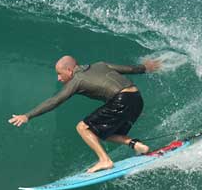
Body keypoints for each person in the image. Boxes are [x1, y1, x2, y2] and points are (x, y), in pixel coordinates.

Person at [9, 55, 162, 173]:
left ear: (69, 70)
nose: (58, 78)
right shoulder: (100, 65)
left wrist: (28, 115)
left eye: (59, 74)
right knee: (102, 133)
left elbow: (55, 101)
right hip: (136, 98)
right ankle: (137, 145)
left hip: (121, 100)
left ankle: (104, 160)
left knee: (83, 128)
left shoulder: (77, 80)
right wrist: (145, 67)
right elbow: (130, 69)